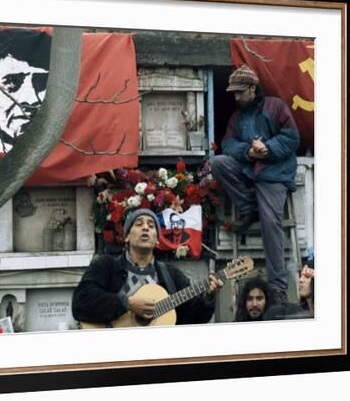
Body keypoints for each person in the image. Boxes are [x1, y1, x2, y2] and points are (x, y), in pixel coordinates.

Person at [211, 64, 300, 303]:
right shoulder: (236, 117)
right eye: (234, 92)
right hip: (250, 169)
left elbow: (292, 137)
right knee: (218, 162)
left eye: (240, 91)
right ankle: (250, 208)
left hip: (274, 173)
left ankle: (278, 287)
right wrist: (249, 152)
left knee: (271, 223)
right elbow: (227, 144)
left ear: (252, 88)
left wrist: (267, 148)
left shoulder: (275, 106)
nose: (236, 96)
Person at [72, 209, 224, 327]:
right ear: (126, 237)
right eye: (139, 224)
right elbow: (81, 302)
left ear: (157, 240)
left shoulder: (171, 275)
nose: (145, 228)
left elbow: (193, 319)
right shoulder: (106, 266)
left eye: (151, 226)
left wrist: (208, 297)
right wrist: (127, 303)